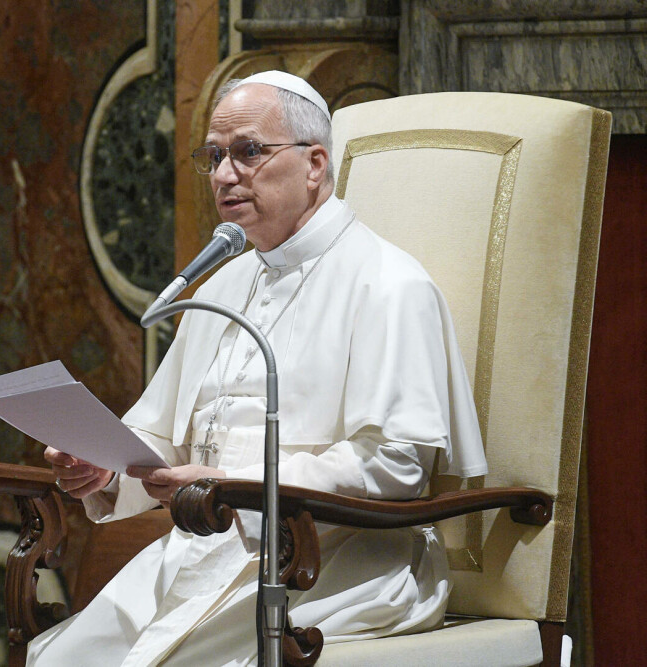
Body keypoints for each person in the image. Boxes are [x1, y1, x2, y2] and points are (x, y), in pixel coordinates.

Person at [33, 70, 488, 666]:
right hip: (205, 551)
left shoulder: (390, 285)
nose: (224, 176)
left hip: (337, 561)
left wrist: (233, 489)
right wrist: (107, 468)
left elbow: (395, 464)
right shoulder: (223, 283)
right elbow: (166, 434)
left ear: (315, 165)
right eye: (216, 156)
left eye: (248, 152)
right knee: (59, 659)